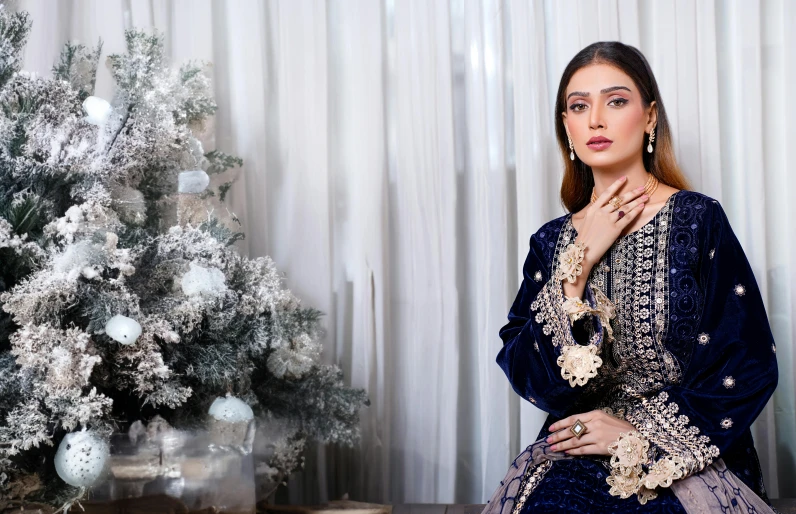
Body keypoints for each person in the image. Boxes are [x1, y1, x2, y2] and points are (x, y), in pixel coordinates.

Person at [483, 41, 778, 513]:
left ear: (650, 117)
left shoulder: (699, 221)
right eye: (579, 106)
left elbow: (746, 362)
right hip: (575, 456)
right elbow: (536, 376)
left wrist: (640, 432)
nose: (595, 119)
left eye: (616, 101)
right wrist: (575, 268)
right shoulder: (550, 242)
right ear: (567, 127)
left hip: (681, 456)